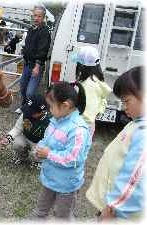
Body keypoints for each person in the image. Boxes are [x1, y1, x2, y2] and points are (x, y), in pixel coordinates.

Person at [86, 66, 145, 221]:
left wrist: (113, 209)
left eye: (126, 101)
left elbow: (135, 177)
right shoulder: (137, 123)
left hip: (118, 213)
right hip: (112, 206)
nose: (124, 107)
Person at [31, 81, 92, 220]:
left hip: (66, 185)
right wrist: (39, 150)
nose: (49, 110)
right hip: (50, 179)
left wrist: (48, 154)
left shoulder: (78, 130)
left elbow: (73, 158)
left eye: (51, 106)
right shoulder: (56, 120)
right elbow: (46, 140)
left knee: (63, 217)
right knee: (40, 212)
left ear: (65, 105)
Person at [0, 95, 52, 165]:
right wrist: (8, 138)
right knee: (16, 143)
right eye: (28, 109)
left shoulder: (48, 122)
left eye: (32, 112)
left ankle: (39, 162)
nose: (28, 113)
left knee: (37, 152)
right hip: (25, 137)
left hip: (38, 142)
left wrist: (38, 148)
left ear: (41, 112)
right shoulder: (26, 114)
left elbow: (48, 141)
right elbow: (17, 128)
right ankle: (22, 157)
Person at [71, 46, 112, 137]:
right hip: (89, 125)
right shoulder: (96, 80)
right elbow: (102, 101)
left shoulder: (89, 85)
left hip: (81, 127)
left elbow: (86, 115)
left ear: (82, 66)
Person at [18, 5, 51, 112]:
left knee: (30, 92)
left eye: (39, 16)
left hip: (36, 65)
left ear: (43, 17)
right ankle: (24, 106)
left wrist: (37, 66)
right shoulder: (31, 29)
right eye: (35, 16)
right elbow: (27, 45)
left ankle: (30, 109)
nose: (36, 18)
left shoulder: (45, 31)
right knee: (22, 87)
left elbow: (43, 50)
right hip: (27, 64)